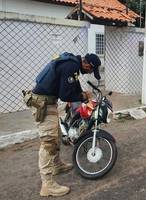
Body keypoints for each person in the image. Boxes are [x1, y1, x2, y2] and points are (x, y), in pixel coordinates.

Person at [23, 52, 101, 197]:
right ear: (86, 64)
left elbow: (74, 86)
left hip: (49, 101)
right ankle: (47, 185)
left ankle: (56, 165)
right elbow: (65, 95)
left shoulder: (74, 65)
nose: (90, 72)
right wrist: (83, 96)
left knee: (56, 135)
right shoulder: (71, 66)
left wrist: (83, 94)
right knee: (48, 141)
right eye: (90, 70)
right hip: (42, 103)